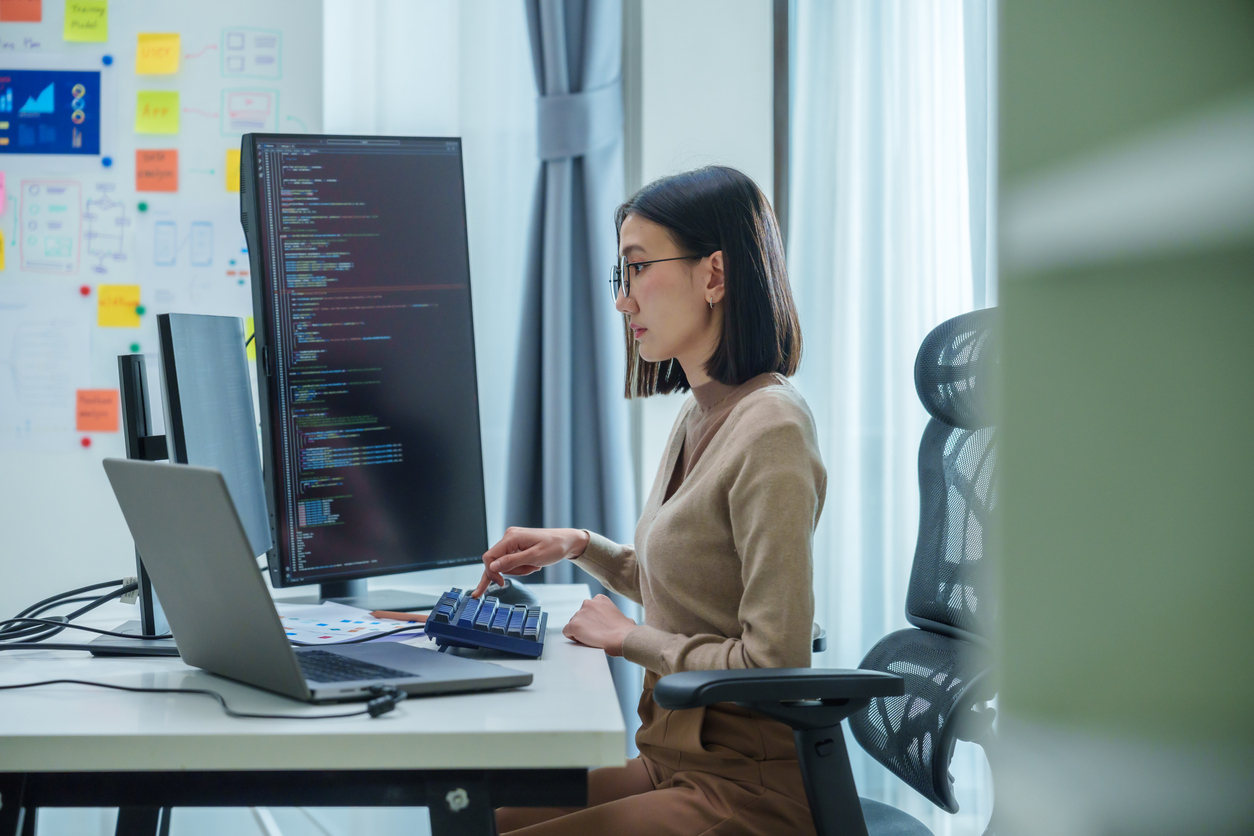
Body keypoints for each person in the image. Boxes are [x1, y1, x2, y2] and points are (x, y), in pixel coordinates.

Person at [475, 166, 826, 836]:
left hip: (746, 791)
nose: (623, 301)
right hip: (672, 760)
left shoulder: (772, 428)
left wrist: (627, 637)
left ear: (714, 275)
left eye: (638, 269)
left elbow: (774, 660)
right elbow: (695, 586)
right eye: (622, 276)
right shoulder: (702, 415)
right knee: (478, 815)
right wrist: (581, 546)